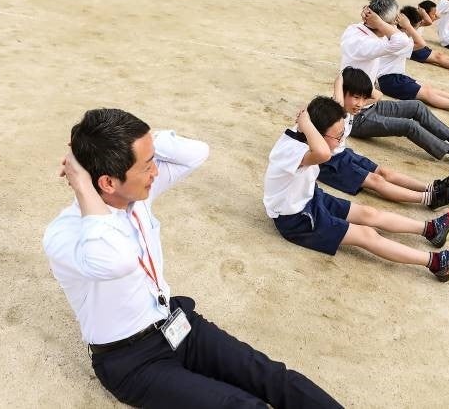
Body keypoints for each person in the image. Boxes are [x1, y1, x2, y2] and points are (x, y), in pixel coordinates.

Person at [43, 108, 343, 409]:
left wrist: (140, 141)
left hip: (174, 322)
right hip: (132, 361)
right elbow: (118, 261)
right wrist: (82, 185)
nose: (155, 172)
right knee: (241, 405)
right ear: (107, 183)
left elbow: (197, 153)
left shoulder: (133, 195)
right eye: (147, 166)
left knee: (271, 376)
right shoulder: (64, 234)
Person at [263, 96, 449, 282]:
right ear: (316, 134)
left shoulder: (309, 134)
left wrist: (308, 122)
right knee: (366, 235)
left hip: (310, 197)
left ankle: (431, 229)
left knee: (368, 213)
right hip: (296, 219)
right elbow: (324, 154)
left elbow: (324, 124)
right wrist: (307, 123)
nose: (340, 142)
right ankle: (437, 263)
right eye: (337, 137)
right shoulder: (290, 149)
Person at [340, 0, 449, 167]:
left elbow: (407, 42)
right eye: (393, 21)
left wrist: (378, 21)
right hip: (355, 116)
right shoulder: (365, 43)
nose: (395, 25)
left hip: (369, 104)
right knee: (409, 126)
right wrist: (381, 22)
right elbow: (401, 41)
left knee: (417, 106)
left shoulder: (365, 32)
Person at [319, 67, 449, 211]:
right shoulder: (333, 112)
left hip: (342, 153)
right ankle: (431, 199)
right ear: (341, 92)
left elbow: (377, 95)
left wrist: (358, 87)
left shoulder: (351, 108)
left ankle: (432, 188)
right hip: (328, 163)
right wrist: (340, 78)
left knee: (385, 172)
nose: (361, 104)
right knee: (376, 180)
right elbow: (338, 102)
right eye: (356, 97)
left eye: (363, 98)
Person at [375, 7, 449, 115]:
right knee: (426, 94)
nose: (415, 31)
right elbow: (422, 44)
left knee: (428, 88)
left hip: (395, 77)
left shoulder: (396, 34)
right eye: (415, 28)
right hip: (388, 81)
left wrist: (406, 24)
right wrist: (408, 25)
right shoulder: (398, 40)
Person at [402, 2, 449, 75]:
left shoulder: (418, 22)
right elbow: (429, 22)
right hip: (414, 50)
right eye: (432, 14)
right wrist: (423, 11)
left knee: (439, 55)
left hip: (418, 47)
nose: (434, 15)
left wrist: (422, 12)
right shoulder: (413, 23)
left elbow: (437, 17)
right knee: (438, 58)